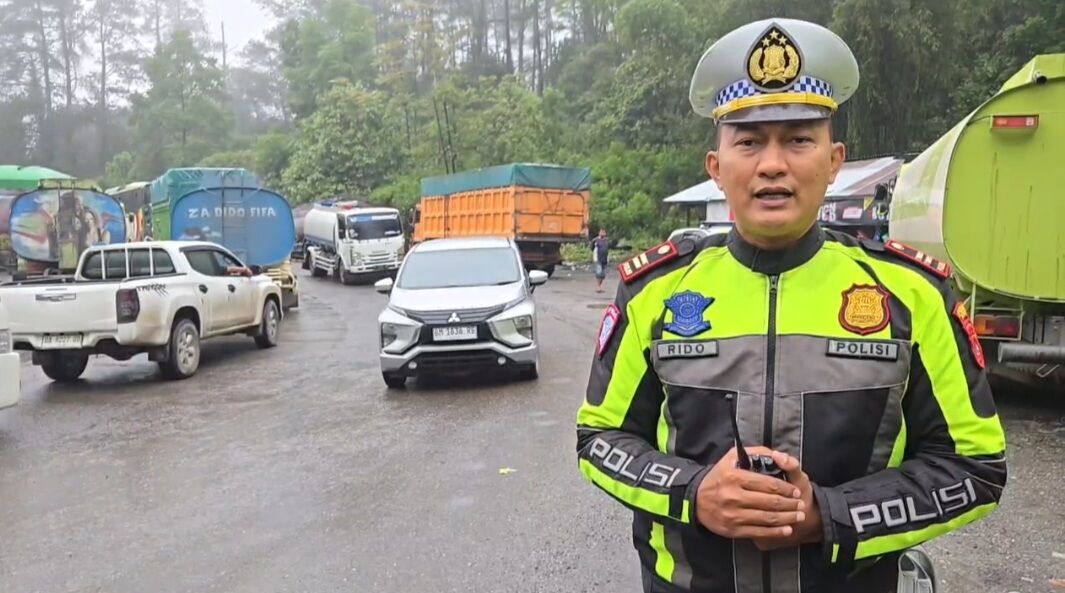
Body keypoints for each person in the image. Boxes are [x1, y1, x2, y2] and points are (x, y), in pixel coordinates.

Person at [575, 18, 1006, 593]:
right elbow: (600, 439)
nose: (772, 163)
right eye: (749, 142)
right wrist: (694, 494)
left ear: (834, 161)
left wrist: (828, 515)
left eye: (799, 139)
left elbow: (974, 466)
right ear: (716, 168)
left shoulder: (911, 294)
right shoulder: (654, 291)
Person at [591, 228, 610, 292]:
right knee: (599, 273)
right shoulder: (595, 240)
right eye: (601, 232)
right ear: (599, 233)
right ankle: (598, 287)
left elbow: (607, 249)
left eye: (603, 232)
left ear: (605, 233)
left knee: (603, 275)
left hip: (605, 259)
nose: (602, 233)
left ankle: (600, 286)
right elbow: (592, 248)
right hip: (598, 259)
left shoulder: (607, 240)